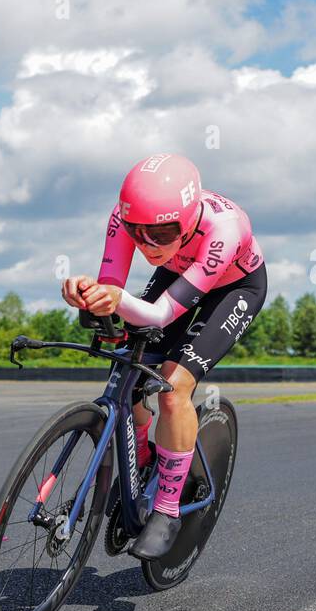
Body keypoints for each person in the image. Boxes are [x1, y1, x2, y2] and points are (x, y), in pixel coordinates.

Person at [61, 154, 266, 559]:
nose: (149, 243)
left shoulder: (225, 228)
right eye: (138, 233)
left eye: (163, 231)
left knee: (173, 387)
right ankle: (144, 458)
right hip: (180, 273)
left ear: (189, 220)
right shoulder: (125, 217)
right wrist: (89, 295)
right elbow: (113, 292)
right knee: (128, 369)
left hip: (234, 287)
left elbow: (159, 314)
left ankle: (168, 508)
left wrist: (118, 300)